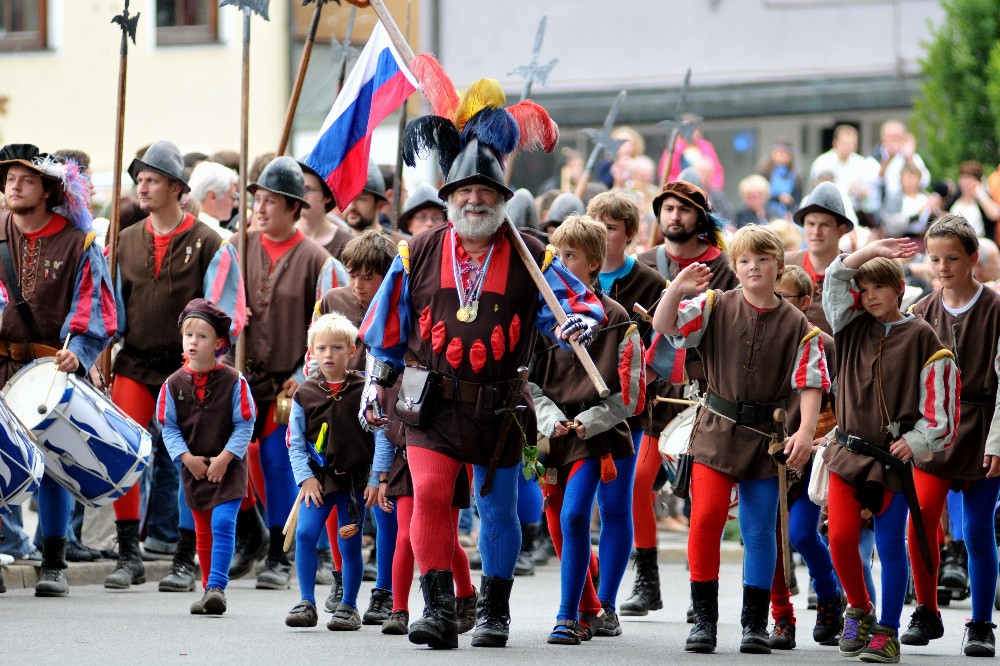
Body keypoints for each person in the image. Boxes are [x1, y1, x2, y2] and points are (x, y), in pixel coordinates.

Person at [360, 129, 604, 650]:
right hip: (430, 402)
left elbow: (579, 304)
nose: (474, 200)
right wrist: (373, 385)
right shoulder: (416, 252)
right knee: (427, 492)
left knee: (496, 511)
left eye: (486, 191)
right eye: (464, 191)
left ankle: (494, 613)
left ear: (502, 200)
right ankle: (439, 610)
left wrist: (574, 324)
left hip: (500, 405)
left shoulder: (532, 254)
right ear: (448, 198)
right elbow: (385, 327)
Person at [652, 224, 828, 654]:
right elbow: (664, 323)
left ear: (778, 266)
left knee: (759, 531)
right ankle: (705, 622)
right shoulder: (713, 304)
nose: (753, 267)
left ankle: (754, 624)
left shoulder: (798, 325)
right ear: (735, 266)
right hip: (714, 431)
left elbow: (810, 383)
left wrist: (805, 432)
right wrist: (677, 285)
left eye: (763, 260)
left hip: (766, 439)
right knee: (707, 519)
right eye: (745, 260)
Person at [111, 140, 244, 592]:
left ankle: (186, 559)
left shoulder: (211, 243)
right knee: (124, 451)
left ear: (176, 188)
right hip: (134, 363)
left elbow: (227, 314)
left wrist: (208, 362)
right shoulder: (123, 242)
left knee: (193, 459)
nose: (142, 188)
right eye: (139, 180)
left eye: (151, 180)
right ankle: (128, 553)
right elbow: (111, 313)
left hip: (189, 373)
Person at [821, 236, 959, 663]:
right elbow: (834, 278)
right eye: (863, 289)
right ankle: (859, 608)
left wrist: (915, 442)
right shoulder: (848, 325)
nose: (869, 295)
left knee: (890, 545)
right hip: (846, 455)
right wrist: (868, 252)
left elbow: (942, 409)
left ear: (898, 288)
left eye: (878, 287)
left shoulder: (923, 336)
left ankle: (888, 631)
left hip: (891, 463)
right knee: (840, 539)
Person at [0, 143, 116, 597]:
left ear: (48, 190)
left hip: (52, 366)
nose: (14, 185)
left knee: (52, 463)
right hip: (1, 360)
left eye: (25, 180)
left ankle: (53, 561)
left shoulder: (79, 243)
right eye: (10, 179)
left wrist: (81, 351)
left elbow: (97, 308)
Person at [624, 180, 737, 618]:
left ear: (700, 218)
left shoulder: (725, 267)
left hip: (703, 394)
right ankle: (646, 581)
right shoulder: (649, 263)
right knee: (640, 484)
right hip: (658, 395)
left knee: (699, 499)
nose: (674, 216)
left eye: (683, 209)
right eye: (667, 208)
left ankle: (699, 593)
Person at [533, 215, 645, 645]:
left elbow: (630, 397)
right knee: (559, 526)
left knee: (576, 515)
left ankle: (567, 615)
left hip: (593, 435)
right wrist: (548, 418)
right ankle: (591, 604)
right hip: (550, 434)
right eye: (556, 254)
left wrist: (587, 421)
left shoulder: (616, 318)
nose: (559, 263)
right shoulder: (543, 314)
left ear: (595, 263)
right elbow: (528, 381)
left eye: (571, 256)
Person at [902, 215, 1000, 657]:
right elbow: (905, 382)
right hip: (933, 432)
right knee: (920, 519)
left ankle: (980, 623)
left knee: (979, 530)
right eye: (934, 258)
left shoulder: (996, 310)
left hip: (983, 429)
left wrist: (998, 444)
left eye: (952, 258)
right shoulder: (920, 313)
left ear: (974, 259)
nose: (941, 267)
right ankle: (926, 609)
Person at [240, 156, 336, 590]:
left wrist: (305, 369)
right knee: (233, 460)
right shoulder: (235, 249)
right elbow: (213, 312)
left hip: (289, 385)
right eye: (257, 200)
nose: (260, 209)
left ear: (294, 207)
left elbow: (326, 325)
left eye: (271, 201)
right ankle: (249, 533)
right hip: (241, 379)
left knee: (280, 463)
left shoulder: (318, 260)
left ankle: (279, 556)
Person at [315, 229, 397, 618]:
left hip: (385, 419)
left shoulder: (399, 301)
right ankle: (341, 576)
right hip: (341, 419)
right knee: (338, 501)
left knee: (384, 503)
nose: (358, 285)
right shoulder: (333, 301)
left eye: (368, 277)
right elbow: (314, 354)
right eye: (353, 275)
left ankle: (385, 589)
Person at [158, 299, 255, 615]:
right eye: (189, 335)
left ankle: (217, 587)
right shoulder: (172, 385)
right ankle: (206, 592)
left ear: (219, 343)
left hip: (228, 466)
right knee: (202, 529)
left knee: (223, 522)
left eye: (202, 336)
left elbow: (245, 423)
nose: (193, 342)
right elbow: (169, 428)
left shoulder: (234, 381)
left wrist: (225, 458)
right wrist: (187, 459)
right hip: (194, 468)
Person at [766, 265, 843, 650]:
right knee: (771, 537)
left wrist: (818, 438)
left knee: (799, 533)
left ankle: (830, 595)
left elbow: (841, 406)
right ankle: (782, 618)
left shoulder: (824, 344)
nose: (776, 303)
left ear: (805, 302)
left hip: (811, 456)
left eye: (785, 297)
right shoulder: (761, 335)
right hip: (765, 452)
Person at [284, 313, 375, 631]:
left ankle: (349, 606)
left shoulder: (365, 389)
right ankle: (305, 602)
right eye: (321, 348)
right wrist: (305, 478)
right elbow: (295, 443)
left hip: (353, 482)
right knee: (306, 534)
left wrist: (376, 478)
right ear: (311, 353)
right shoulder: (304, 393)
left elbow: (379, 436)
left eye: (336, 347)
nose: (328, 354)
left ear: (352, 350)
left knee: (348, 542)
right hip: (317, 481)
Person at [785, 182, 854, 335]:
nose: (816, 232)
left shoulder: (855, 273)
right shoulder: (783, 266)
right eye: (810, 224)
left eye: (824, 225)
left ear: (841, 230)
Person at [297, 161, 353, 260]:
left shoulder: (346, 244)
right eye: (298, 188)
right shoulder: (282, 235)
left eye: (309, 189)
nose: (302, 195)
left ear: (327, 196)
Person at [947, 161, 1000, 241]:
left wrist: (980, 194)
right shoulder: (955, 197)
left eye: (969, 179)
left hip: (979, 242)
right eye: (963, 178)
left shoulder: (982, 198)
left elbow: (995, 215)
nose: (965, 183)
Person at [188, 160, 238, 238]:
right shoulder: (224, 238)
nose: (235, 204)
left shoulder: (181, 228)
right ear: (213, 195)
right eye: (232, 197)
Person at [758, 141, 802, 220]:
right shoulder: (764, 172)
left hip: (787, 215)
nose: (780, 155)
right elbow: (759, 194)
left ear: (790, 156)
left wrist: (791, 212)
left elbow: (797, 199)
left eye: (783, 152)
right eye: (777, 152)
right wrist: (779, 197)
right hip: (766, 212)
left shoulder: (796, 176)